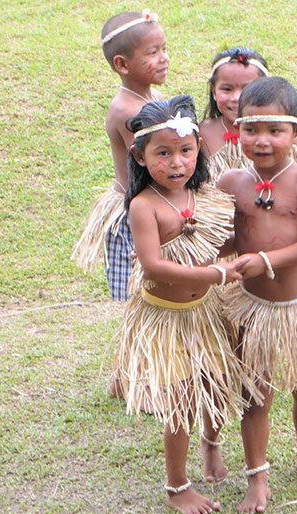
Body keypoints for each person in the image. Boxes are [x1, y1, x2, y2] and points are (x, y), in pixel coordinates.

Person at [112, 95, 264, 514]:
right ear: (140, 157)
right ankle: (177, 485)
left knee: (216, 385)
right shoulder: (144, 207)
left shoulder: (203, 194)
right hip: (167, 318)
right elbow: (154, 266)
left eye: (185, 150)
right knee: (180, 404)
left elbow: (220, 243)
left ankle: (211, 443)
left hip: (206, 315)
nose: (176, 163)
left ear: (199, 149)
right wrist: (215, 275)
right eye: (163, 153)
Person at [215, 76, 297, 514]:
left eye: (275, 130)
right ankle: (257, 477)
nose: (262, 140)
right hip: (252, 309)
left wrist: (267, 261)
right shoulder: (231, 183)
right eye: (251, 129)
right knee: (255, 394)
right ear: (237, 131)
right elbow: (220, 242)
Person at [71, 8, 169, 301]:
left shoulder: (153, 98)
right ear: (122, 64)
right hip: (135, 212)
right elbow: (153, 166)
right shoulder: (128, 111)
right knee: (138, 297)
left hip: (156, 205)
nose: (163, 58)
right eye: (152, 53)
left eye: (164, 49)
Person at [198, 47, 270, 183]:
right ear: (214, 91)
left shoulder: (275, 133)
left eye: (247, 89)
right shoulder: (201, 133)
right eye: (227, 89)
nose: (237, 97)